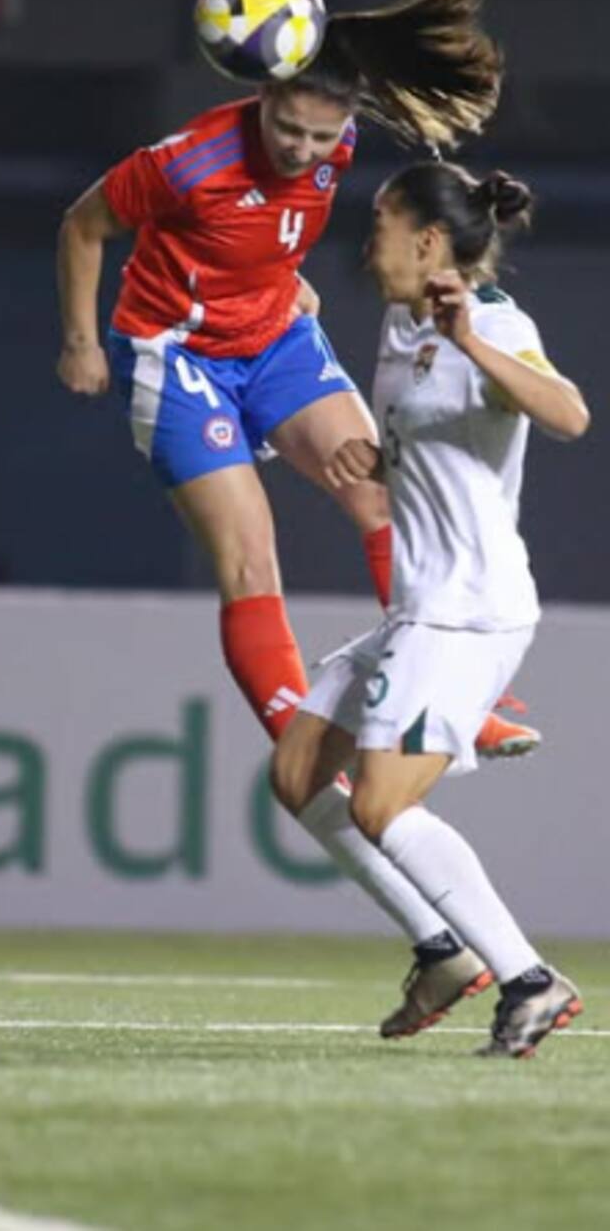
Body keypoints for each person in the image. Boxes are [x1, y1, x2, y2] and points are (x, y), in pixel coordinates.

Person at [56, 0, 540, 1033]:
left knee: (380, 490)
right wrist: (82, 340)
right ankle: (298, 721)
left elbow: (276, 232)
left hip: (270, 337)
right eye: (285, 124)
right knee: (252, 549)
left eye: (320, 133)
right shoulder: (183, 160)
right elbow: (82, 227)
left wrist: (286, 285)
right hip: (175, 355)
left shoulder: (336, 154)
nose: (300, 146)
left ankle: (456, 690)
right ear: (254, 98)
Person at [272, 160, 588, 1055]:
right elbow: (430, 436)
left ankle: (528, 979)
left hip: (468, 613)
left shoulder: (493, 322)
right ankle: (443, 951)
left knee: (378, 805)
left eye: (383, 217)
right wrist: (381, 462)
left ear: (430, 240)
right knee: (297, 776)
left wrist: (472, 341)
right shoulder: (397, 322)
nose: (367, 232)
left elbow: (568, 415)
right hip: (420, 608)